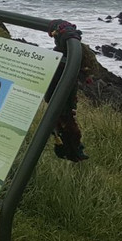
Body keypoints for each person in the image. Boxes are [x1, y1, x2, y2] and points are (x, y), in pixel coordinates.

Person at [45, 20, 97, 162]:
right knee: (66, 123)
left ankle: (69, 147)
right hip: (63, 108)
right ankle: (70, 149)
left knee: (65, 122)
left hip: (62, 106)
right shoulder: (65, 54)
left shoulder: (62, 54)